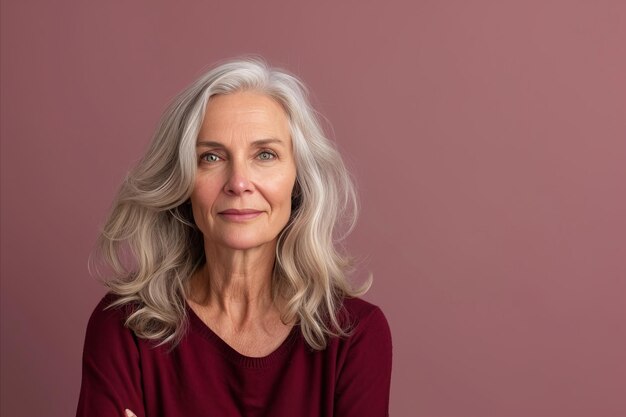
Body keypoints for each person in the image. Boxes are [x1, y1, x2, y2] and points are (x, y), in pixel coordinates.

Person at [76, 57, 392, 417]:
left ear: (298, 180)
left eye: (265, 155)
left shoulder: (354, 335)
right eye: (211, 157)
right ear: (182, 181)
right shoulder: (126, 326)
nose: (239, 182)